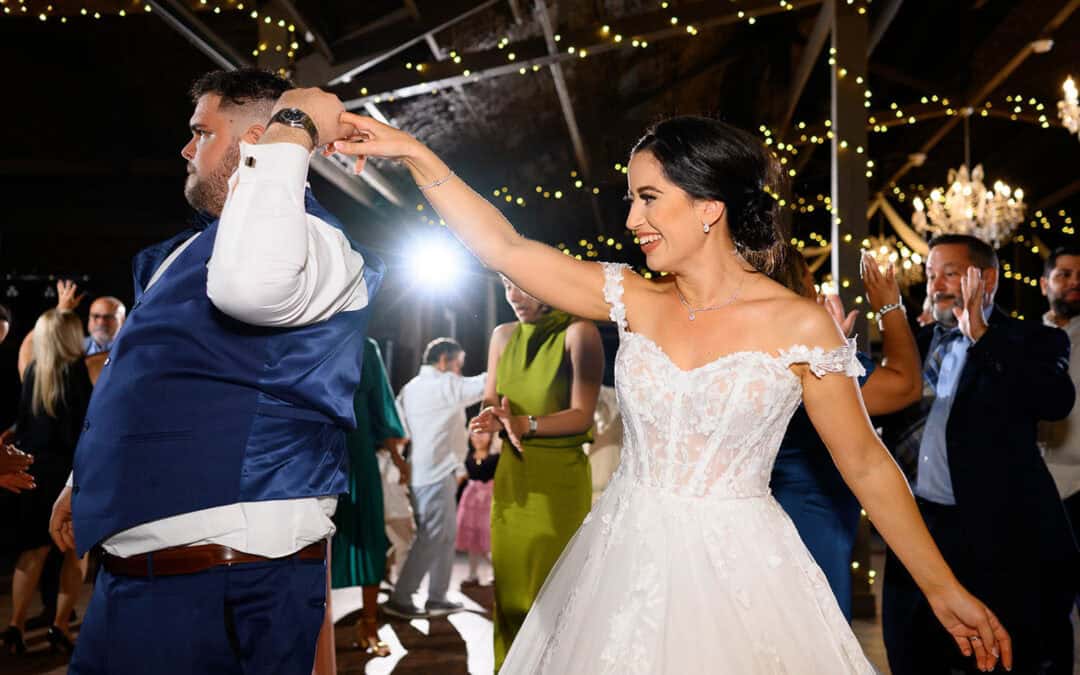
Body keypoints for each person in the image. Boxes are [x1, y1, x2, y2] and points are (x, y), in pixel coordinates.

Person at [335, 113, 1012, 674]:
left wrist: (941, 585)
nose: (631, 218)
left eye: (648, 197)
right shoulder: (631, 297)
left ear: (709, 207)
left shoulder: (799, 325)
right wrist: (412, 152)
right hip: (622, 554)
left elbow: (865, 463)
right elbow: (505, 247)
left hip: (743, 568)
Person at [48, 70, 384, 674]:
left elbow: (249, 290)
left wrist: (295, 128)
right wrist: (83, 482)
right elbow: (149, 384)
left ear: (258, 138)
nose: (185, 149)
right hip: (133, 577)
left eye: (202, 132)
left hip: (229, 576)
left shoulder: (319, 242)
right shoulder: (179, 251)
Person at [881, 234, 1078, 675]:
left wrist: (983, 338)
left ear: (986, 278)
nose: (937, 286)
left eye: (950, 273)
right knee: (910, 652)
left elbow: (1055, 401)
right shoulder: (915, 340)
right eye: (932, 275)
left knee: (999, 657)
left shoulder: (1032, 339)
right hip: (918, 527)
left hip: (997, 536)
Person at [769, 247, 922, 619]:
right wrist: (889, 307)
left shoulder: (750, 335)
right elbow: (904, 385)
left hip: (766, 511)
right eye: (808, 281)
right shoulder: (810, 349)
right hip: (811, 516)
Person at [468, 275, 604, 669]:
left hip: (558, 482)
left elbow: (582, 415)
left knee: (551, 597)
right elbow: (491, 396)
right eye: (505, 286)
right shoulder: (502, 335)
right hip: (514, 481)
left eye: (523, 286)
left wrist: (524, 424)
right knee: (509, 597)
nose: (513, 296)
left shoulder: (580, 333)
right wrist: (490, 415)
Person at [3, 309, 92, 655]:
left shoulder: (33, 372)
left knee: (31, 553)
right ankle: (59, 625)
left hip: (31, 471)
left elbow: (24, 426)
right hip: (67, 473)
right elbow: (84, 429)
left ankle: (16, 626)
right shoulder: (77, 372)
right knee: (74, 553)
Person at [384, 338, 486, 619]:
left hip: (424, 471)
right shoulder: (443, 384)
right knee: (431, 536)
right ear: (443, 361)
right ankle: (402, 597)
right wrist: (507, 355)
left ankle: (437, 597)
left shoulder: (411, 388)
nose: (459, 372)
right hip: (435, 473)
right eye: (457, 365)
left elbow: (398, 426)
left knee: (444, 536)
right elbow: (481, 386)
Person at [331, 337, 409, 656]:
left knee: (371, 537)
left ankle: (369, 623)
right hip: (315, 452)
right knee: (314, 542)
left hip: (359, 456)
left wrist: (397, 457)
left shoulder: (365, 345)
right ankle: (317, 631)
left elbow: (380, 404)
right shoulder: (305, 334)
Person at [1039, 245, 1080, 671]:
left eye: (1079, 276)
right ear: (1045, 282)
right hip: (1039, 488)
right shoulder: (1023, 338)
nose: (1073, 283)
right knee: (1047, 605)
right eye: (1064, 274)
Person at [456, 433, 498, 587]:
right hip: (471, 501)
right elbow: (462, 476)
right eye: (475, 435)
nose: (478, 438)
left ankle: (497, 573)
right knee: (472, 539)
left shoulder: (496, 457)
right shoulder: (468, 456)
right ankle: (472, 574)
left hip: (488, 500)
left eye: (482, 435)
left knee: (487, 539)